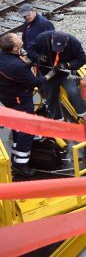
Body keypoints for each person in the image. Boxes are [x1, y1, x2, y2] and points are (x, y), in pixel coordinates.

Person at [0, 32, 55, 177]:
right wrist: (49, 76)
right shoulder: (17, 66)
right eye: (18, 38)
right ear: (13, 48)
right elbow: (34, 82)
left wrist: (28, 63)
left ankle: (17, 153)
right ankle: (20, 164)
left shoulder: (4, 56)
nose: (21, 37)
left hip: (8, 96)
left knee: (18, 127)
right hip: (20, 99)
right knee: (27, 129)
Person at [26, 30, 86, 120]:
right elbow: (30, 50)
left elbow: (82, 59)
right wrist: (38, 57)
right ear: (51, 39)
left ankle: (83, 113)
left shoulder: (74, 43)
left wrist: (68, 65)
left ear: (67, 42)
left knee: (73, 91)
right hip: (47, 72)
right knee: (50, 97)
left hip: (65, 73)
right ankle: (58, 119)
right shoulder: (41, 38)